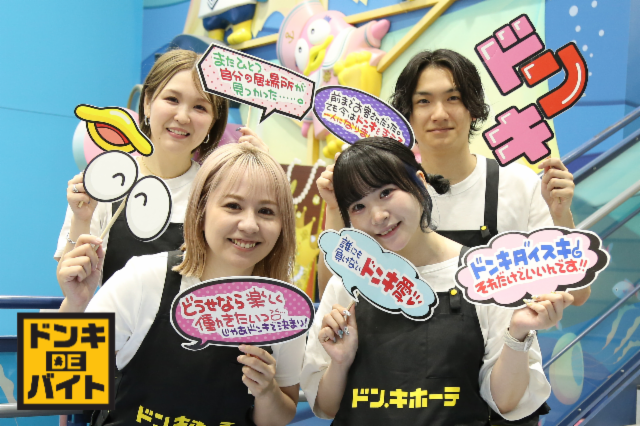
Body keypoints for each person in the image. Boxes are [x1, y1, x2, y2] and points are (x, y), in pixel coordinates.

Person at [302, 138, 570, 425]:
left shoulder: (483, 276)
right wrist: (340, 362)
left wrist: (517, 334)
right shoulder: (346, 284)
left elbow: (505, 402)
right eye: (358, 206)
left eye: (386, 193)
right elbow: (326, 407)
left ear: (419, 183)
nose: (378, 216)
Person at [57, 143, 303, 426]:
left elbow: (279, 417)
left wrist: (268, 392)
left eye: (267, 211)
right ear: (200, 211)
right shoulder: (144, 278)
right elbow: (61, 386)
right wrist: (75, 303)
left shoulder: (285, 307)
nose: (249, 225)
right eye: (233, 206)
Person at [55, 48, 267, 285]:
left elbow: (249, 277)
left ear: (213, 122)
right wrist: (81, 219)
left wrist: (263, 181)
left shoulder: (220, 192)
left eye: (200, 107)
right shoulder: (105, 183)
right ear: (147, 102)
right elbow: (73, 286)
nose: (183, 117)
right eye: (172, 99)